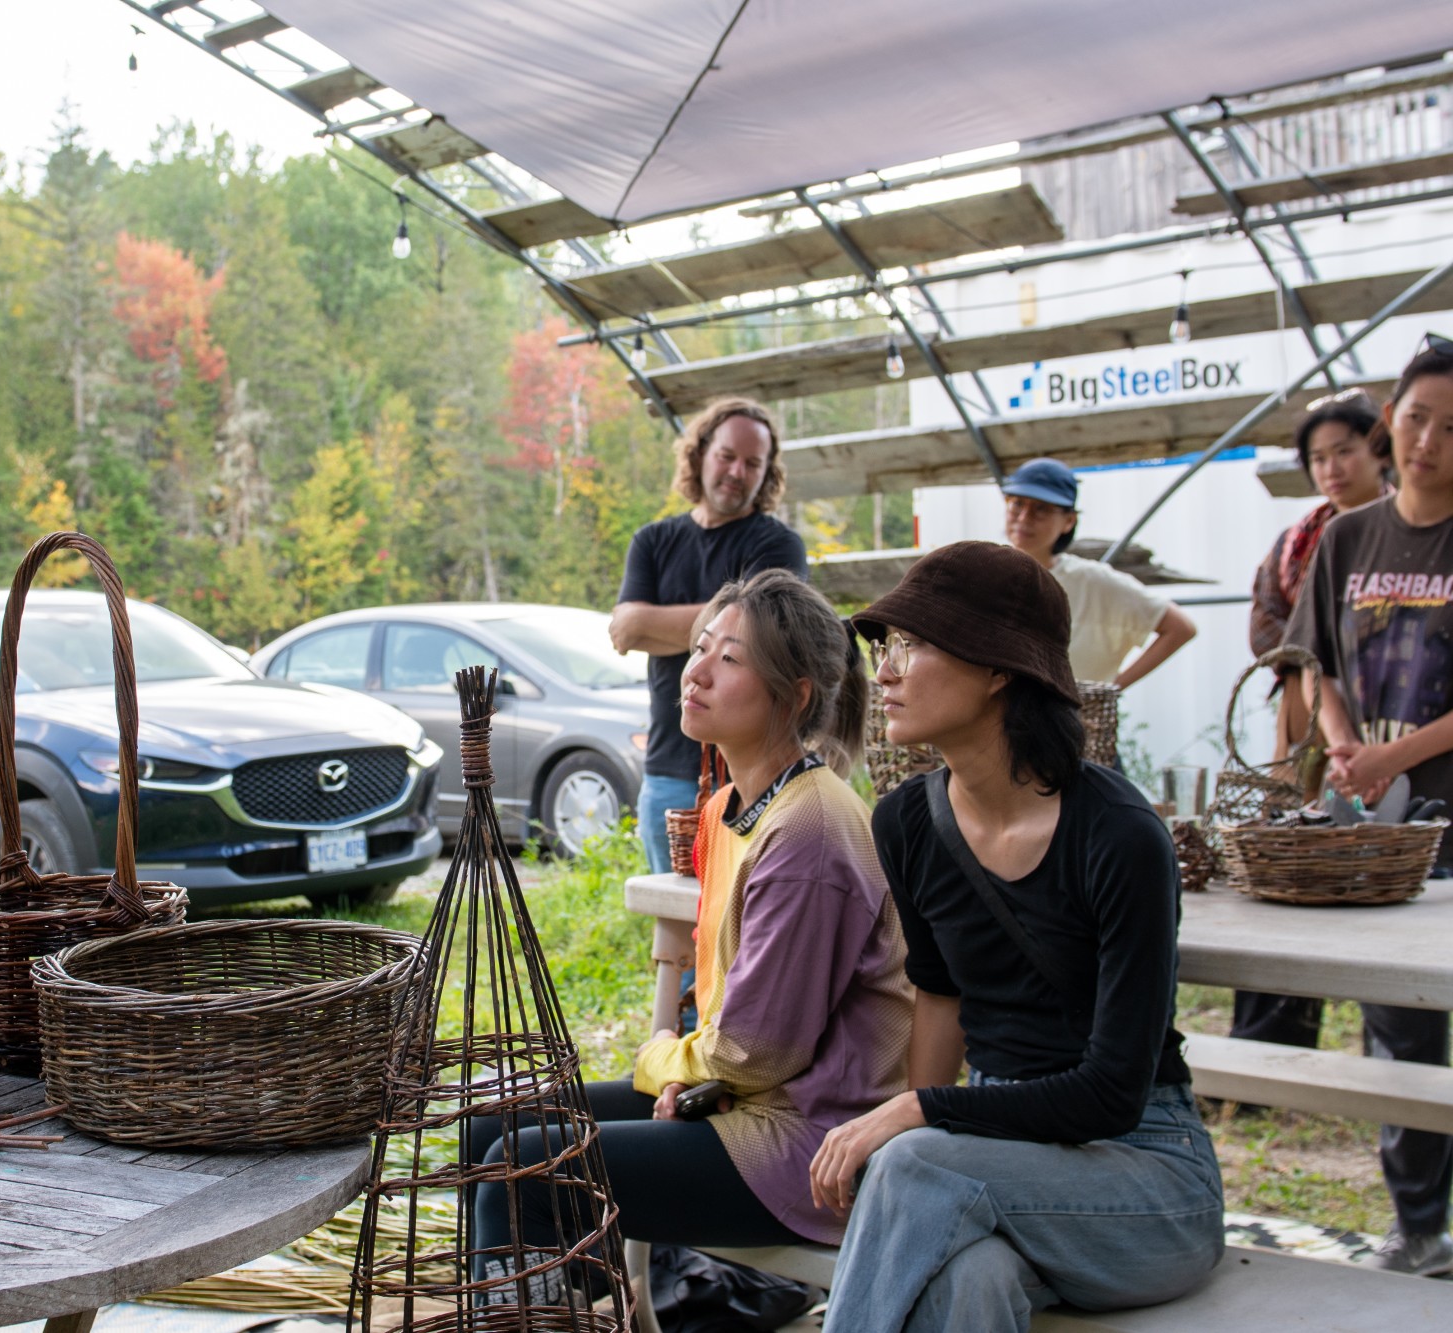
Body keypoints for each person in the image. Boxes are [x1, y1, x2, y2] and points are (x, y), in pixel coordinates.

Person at [817, 541, 1222, 1332]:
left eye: (912, 644)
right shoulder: (906, 822)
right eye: (884, 646)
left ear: (999, 667)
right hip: (991, 1159)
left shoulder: (1120, 835)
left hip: (1146, 1171)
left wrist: (918, 1114)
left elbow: (1112, 1092)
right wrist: (921, 1116)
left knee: (914, 1158)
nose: (885, 672)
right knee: (967, 1280)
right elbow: (939, 996)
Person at [470, 570, 911, 1295]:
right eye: (701, 647)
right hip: (737, 1099)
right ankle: (562, 1307)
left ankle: (539, 1310)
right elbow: (735, 1033)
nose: (696, 671)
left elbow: (755, 1051)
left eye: (729, 658)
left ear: (796, 694)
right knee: (488, 1130)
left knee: (526, 1173)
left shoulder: (810, 829)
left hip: (807, 1140)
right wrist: (689, 1075)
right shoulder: (730, 806)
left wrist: (664, 1061)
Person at [1285, 334, 1453, 1277]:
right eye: (1418, 418)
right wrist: (1345, 743)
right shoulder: (1347, 537)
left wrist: (1393, 754)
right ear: (1392, 418)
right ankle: (1419, 1225)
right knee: (1401, 1026)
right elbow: (1316, 662)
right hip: (1382, 834)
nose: (1428, 441)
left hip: (1441, 805)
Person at [1234, 390, 1389, 1053]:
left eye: (1344, 451)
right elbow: (1271, 625)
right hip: (1306, 719)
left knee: (1378, 868)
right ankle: (1275, 1039)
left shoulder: (1408, 531)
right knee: (1293, 863)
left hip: (1389, 722)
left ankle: (1386, 1035)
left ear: (1377, 451)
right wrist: (1315, 674)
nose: (1332, 468)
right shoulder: (1300, 540)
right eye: (1319, 457)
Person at [611, 398, 809, 873]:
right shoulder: (652, 541)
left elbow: (764, 635)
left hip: (752, 773)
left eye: (753, 463)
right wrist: (726, 627)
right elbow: (625, 631)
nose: (737, 472)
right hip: (668, 769)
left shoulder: (778, 544)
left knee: (747, 911)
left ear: (767, 472)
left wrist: (656, 625)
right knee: (671, 913)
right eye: (727, 456)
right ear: (700, 454)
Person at [1000, 457, 1195, 688]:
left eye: (1041, 508)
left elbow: (1180, 628)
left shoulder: (1094, 581)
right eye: (1017, 504)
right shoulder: (986, 574)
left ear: (1069, 521)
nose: (1024, 517)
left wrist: (1111, 689)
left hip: (1069, 711)